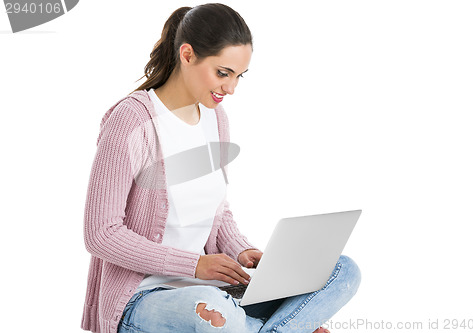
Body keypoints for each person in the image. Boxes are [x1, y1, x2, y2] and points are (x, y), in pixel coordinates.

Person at [81, 3, 361, 333]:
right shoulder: (132, 121)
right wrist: (196, 265)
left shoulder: (215, 120)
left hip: (217, 293)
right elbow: (100, 234)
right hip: (146, 299)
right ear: (187, 55)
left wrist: (242, 250)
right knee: (215, 312)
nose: (231, 88)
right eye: (223, 73)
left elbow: (217, 210)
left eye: (239, 76)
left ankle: (263, 328)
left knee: (342, 271)